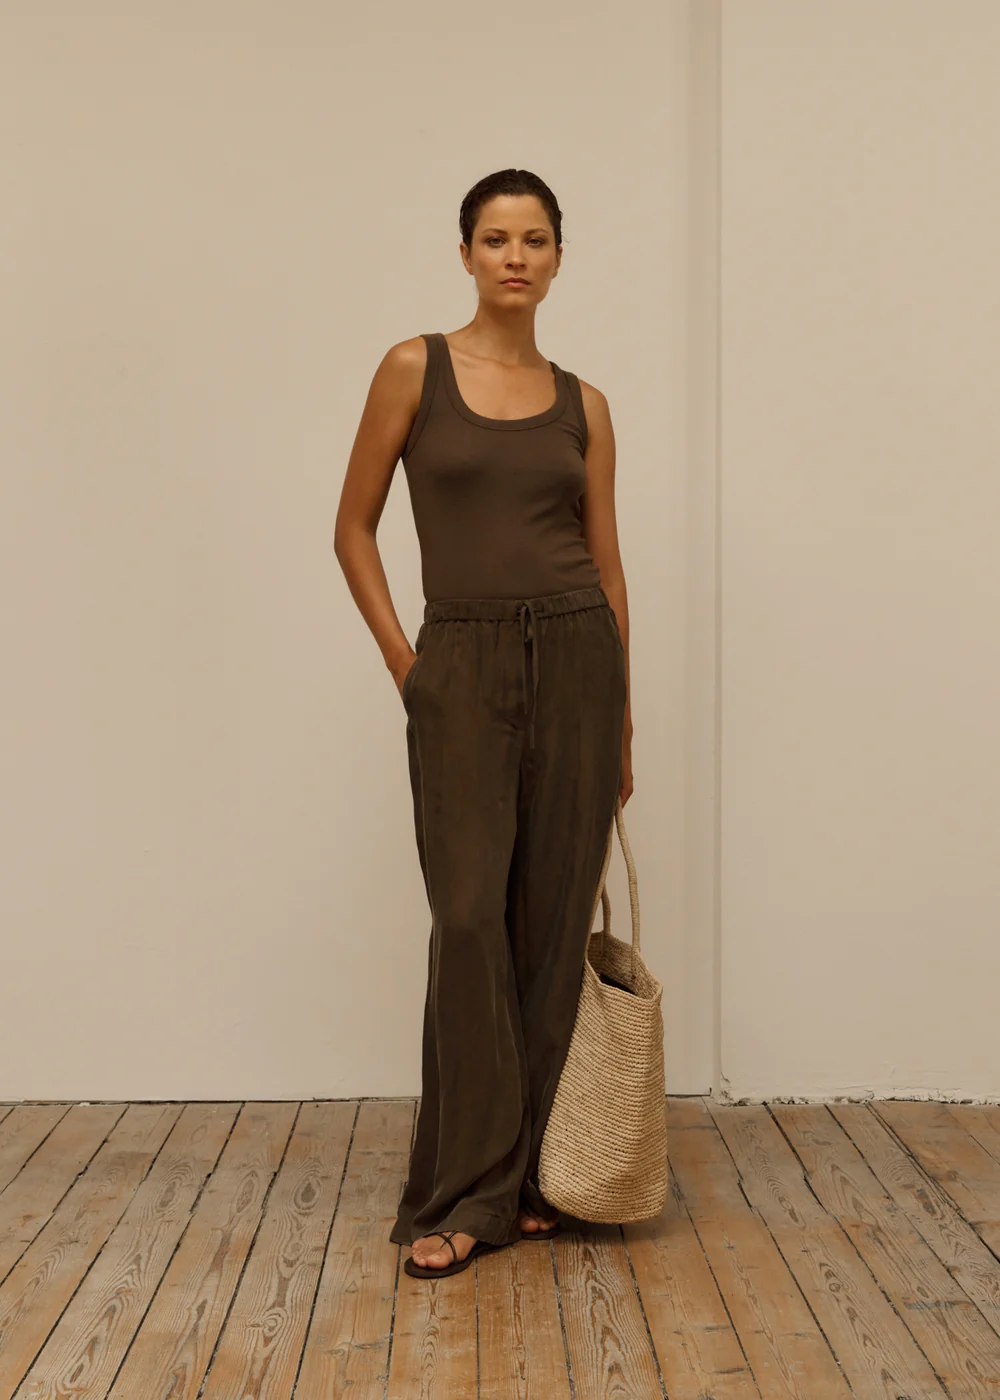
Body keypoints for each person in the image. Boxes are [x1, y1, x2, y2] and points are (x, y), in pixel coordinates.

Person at [333, 168, 633, 1279]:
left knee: (549, 929)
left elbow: (606, 564)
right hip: (459, 662)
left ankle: (532, 1179)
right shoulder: (414, 368)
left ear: (557, 258)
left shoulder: (584, 404)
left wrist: (623, 722)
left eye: (535, 239)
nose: (516, 256)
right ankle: (463, 1187)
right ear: (464, 253)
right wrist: (409, 666)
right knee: (467, 919)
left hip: (579, 658)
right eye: (496, 238)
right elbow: (352, 527)